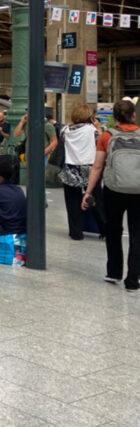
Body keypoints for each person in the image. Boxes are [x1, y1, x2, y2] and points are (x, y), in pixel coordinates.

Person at [83, 100, 139, 292]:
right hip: (138, 191)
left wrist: (88, 192)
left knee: (113, 231)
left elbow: (97, 166)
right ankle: (133, 281)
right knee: (137, 234)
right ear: (133, 115)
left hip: (114, 189)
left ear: (115, 117)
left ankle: (114, 272)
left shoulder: (107, 136)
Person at [59, 104, 104, 240]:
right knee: (96, 199)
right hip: (90, 167)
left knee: (72, 202)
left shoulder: (65, 130)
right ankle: (105, 229)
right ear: (90, 117)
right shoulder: (92, 130)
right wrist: (98, 127)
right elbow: (103, 142)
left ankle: (76, 232)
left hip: (70, 167)